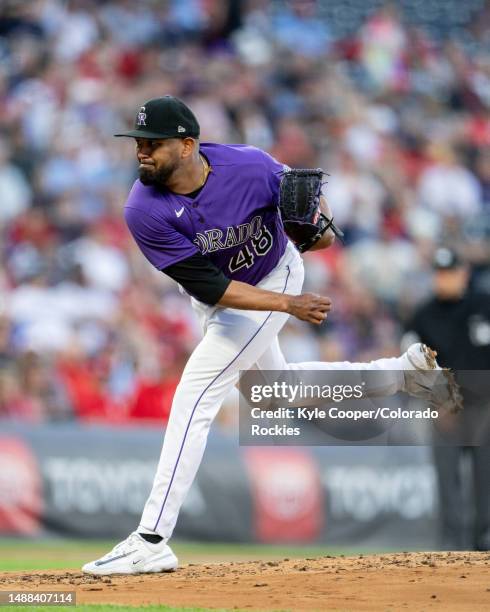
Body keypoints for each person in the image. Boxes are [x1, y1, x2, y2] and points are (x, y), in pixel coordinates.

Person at [82, 96, 459, 575]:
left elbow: (305, 196)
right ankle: (402, 373)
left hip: (277, 273)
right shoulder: (143, 209)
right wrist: (290, 307)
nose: (141, 152)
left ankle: (152, 537)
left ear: (188, 145)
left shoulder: (249, 165)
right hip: (231, 297)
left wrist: (318, 227)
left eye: (152, 143)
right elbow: (212, 288)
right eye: (138, 143)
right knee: (277, 394)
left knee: (194, 395)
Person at [404, 247, 490, 551]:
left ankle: (484, 543)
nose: (445, 280)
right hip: (444, 410)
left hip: (484, 408)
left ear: (463, 273)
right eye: (439, 274)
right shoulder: (423, 315)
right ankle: (452, 548)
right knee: (447, 480)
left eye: (450, 273)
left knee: (485, 478)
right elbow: (411, 363)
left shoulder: (484, 305)